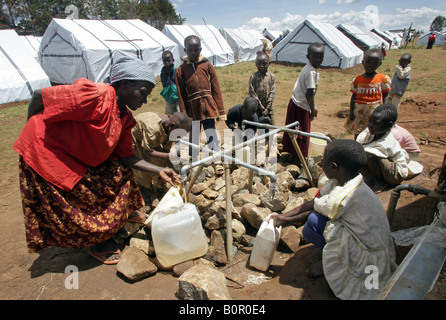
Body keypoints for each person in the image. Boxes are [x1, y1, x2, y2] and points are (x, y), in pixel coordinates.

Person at [12, 56, 182, 265]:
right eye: (143, 93)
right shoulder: (95, 95)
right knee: (83, 197)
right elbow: (40, 96)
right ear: (124, 84)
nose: (145, 100)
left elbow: (128, 157)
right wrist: (31, 126)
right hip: (45, 151)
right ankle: (96, 241)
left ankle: (116, 220)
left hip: (75, 154)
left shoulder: (125, 118)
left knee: (119, 173)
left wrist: (159, 171)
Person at [270, 139, 397, 300]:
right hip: (371, 240)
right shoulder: (349, 180)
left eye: (324, 160)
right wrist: (284, 215)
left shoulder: (343, 196)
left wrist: (285, 221)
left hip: (368, 254)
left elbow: (314, 210)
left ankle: (329, 262)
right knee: (317, 217)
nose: (321, 163)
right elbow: (315, 201)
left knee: (313, 223)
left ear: (334, 167)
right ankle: (330, 252)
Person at [176, 35, 226, 175]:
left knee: (211, 131)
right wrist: (185, 115)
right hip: (193, 109)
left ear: (201, 49)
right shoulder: (181, 70)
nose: (193, 53)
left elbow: (215, 87)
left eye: (196, 50)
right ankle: (193, 158)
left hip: (208, 106)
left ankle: (216, 160)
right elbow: (181, 94)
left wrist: (220, 110)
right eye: (190, 50)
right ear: (185, 50)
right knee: (194, 133)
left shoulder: (207, 65)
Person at [356, 104, 421, 191]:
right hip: (385, 162)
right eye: (370, 121)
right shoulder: (368, 133)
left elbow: (366, 153)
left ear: (389, 125)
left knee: (369, 156)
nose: (370, 125)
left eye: (376, 123)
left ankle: (381, 182)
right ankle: (369, 176)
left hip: (396, 175)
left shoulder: (390, 139)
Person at [132, 111, 191, 205]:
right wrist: (168, 156)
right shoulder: (153, 128)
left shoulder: (169, 129)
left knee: (160, 159)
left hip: (150, 142)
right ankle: (149, 190)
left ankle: (159, 184)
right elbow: (147, 151)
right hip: (137, 139)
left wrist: (173, 172)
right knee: (145, 164)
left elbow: (166, 152)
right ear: (172, 126)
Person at [281, 42, 325, 161]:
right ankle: (298, 158)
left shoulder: (309, 68)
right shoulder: (311, 72)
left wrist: (313, 107)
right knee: (302, 133)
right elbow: (309, 93)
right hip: (301, 106)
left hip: (296, 102)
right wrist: (311, 109)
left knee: (294, 130)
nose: (318, 59)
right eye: (314, 57)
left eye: (320, 57)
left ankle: (293, 154)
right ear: (308, 57)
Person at [344, 48, 391, 139]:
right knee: (358, 131)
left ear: (379, 64)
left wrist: (385, 110)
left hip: (374, 110)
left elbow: (386, 96)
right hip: (359, 110)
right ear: (363, 62)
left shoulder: (382, 79)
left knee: (373, 130)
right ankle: (358, 147)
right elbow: (354, 96)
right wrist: (351, 111)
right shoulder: (357, 80)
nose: (370, 65)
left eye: (374, 63)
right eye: (368, 62)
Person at [249, 52, 276, 125]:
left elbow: (272, 93)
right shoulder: (253, 77)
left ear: (269, 63)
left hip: (269, 109)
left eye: (264, 64)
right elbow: (252, 94)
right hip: (257, 108)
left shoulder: (271, 77)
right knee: (259, 127)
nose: (261, 66)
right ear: (256, 64)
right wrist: (262, 108)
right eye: (259, 64)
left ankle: (270, 136)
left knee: (272, 128)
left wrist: (267, 108)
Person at [160, 51, 179, 115]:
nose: (167, 62)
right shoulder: (163, 73)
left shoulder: (177, 71)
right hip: (169, 99)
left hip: (178, 98)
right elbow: (164, 84)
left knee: (180, 115)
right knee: (169, 116)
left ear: (173, 60)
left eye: (168, 60)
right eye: (165, 61)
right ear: (162, 61)